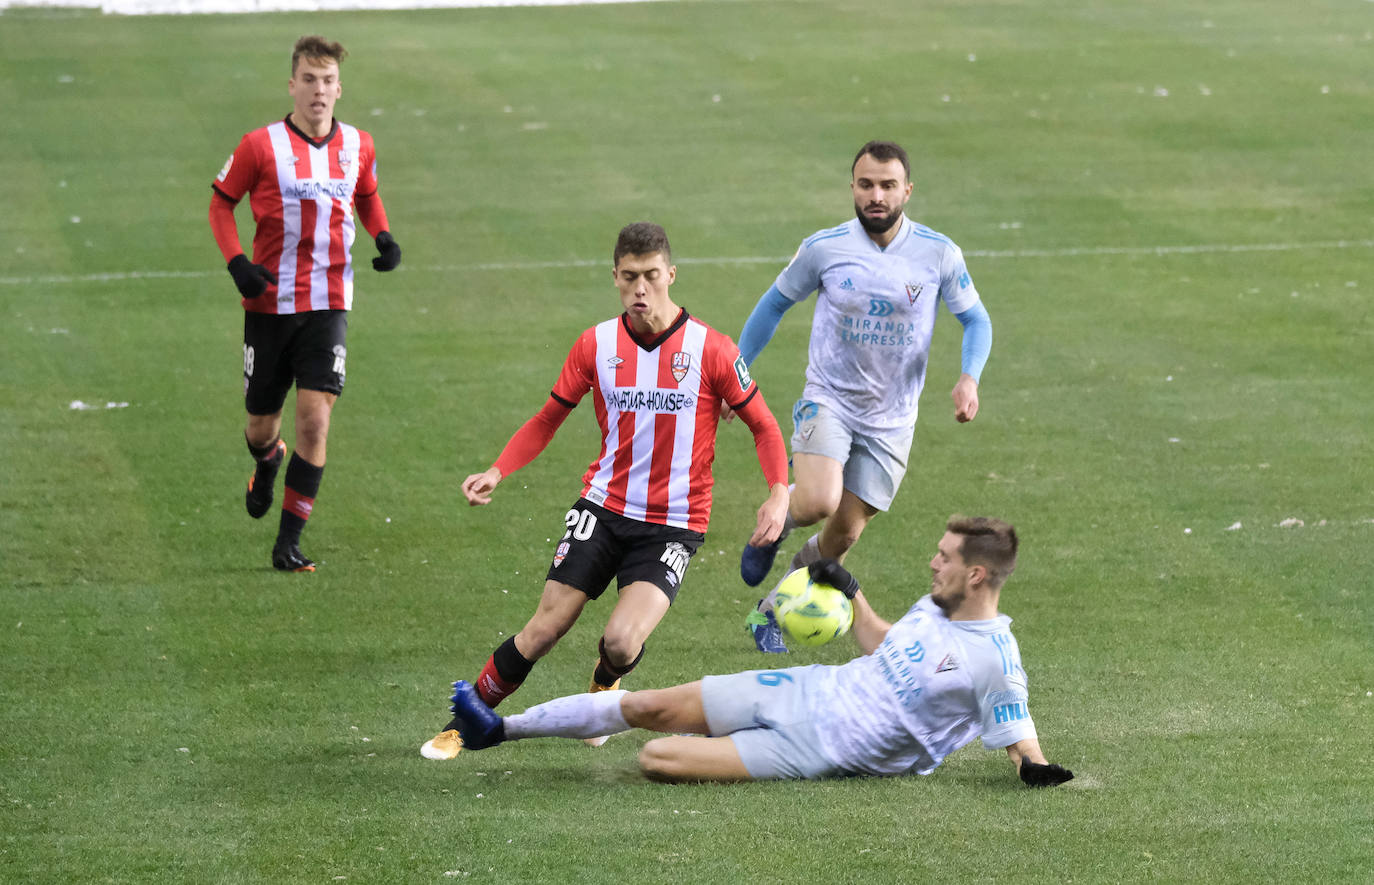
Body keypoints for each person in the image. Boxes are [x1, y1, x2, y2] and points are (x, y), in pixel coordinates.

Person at [420, 222, 790, 760]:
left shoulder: (711, 349)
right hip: (603, 506)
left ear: (671, 274)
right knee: (544, 629)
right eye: (629, 277)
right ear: (615, 277)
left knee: (620, 641)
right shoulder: (596, 344)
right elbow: (548, 419)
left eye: (651, 276)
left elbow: (765, 426)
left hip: (672, 525)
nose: (641, 289)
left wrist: (778, 491)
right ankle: (464, 723)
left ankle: (604, 685)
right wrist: (499, 470)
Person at [442, 516, 1074, 788]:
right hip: (806, 688)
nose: (932, 560)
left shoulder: (996, 657)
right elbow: (886, 645)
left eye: (945, 557)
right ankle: (498, 730)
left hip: (817, 750)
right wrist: (853, 594)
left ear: (977, 577)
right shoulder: (937, 607)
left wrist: (1034, 768)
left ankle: (512, 729)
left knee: (659, 759)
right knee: (648, 708)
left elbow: (1019, 734)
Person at [732, 140, 993, 652]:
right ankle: (779, 517)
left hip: (892, 420)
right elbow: (772, 305)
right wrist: (737, 374)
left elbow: (975, 319)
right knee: (818, 501)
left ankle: (770, 609)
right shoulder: (825, 248)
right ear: (852, 187)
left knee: (842, 538)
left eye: (887, 186)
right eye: (866, 184)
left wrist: (969, 377)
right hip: (829, 398)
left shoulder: (938, 253)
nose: (877, 195)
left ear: (907, 191)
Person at [208, 35, 402, 572]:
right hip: (268, 308)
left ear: (340, 88)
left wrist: (383, 235)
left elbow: (366, 193)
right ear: (292, 85)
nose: (319, 90)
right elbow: (221, 205)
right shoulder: (259, 146)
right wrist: (237, 264)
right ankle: (268, 461)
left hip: (328, 305)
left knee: (315, 420)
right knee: (260, 427)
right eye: (309, 80)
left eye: (328, 80)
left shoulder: (359, 144)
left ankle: (287, 543)